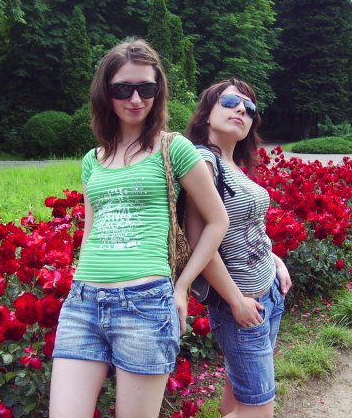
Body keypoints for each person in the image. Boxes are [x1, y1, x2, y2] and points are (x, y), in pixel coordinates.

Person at [49, 39, 229, 418]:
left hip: (145, 304)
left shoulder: (173, 148)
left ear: (157, 91)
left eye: (146, 88)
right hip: (83, 304)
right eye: (123, 89)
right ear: (105, 92)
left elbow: (218, 220)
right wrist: (78, 281)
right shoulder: (92, 159)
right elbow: (91, 230)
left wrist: (181, 285)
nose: (135, 99)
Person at [185, 78, 292, 418]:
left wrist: (276, 261)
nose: (242, 110)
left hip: (268, 295)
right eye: (230, 102)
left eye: (249, 108)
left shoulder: (234, 167)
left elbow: (247, 229)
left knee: (237, 396)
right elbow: (198, 242)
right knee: (259, 411)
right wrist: (235, 301)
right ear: (206, 114)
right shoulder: (203, 161)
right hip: (241, 304)